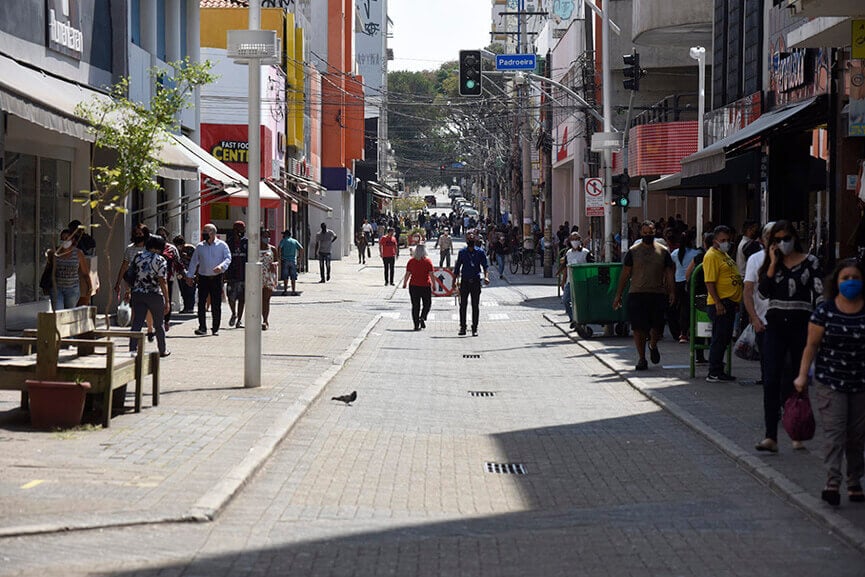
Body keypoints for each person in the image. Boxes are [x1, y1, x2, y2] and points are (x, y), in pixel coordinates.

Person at [794, 258, 865, 506]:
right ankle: (832, 482)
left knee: (856, 436)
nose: (851, 283)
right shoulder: (825, 311)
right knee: (835, 433)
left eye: (855, 278)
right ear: (836, 282)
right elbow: (811, 347)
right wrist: (803, 375)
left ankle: (854, 480)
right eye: (846, 278)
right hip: (830, 381)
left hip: (860, 383)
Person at [755, 220, 823, 452]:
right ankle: (770, 436)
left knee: (796, 378)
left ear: (794, 238)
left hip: (801, 324)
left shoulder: (810, 262)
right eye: (778, 240)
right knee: (771, 378)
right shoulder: (771, 264)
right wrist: (773, 264)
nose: (783, 243)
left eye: (786, 238)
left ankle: (797, 431)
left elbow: (819, 292)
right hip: (775, 326)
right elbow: (763, 292)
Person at [613, 220, 675, 370]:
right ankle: (641, 358)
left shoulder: (663, 251)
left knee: (657, 328)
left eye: (650, 232)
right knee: (638, 329)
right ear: (641, 233)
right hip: (637, 294)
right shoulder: (633, 251)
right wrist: (618, 295)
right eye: (645, 232)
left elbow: (669, 274)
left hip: (658, 294)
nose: (648, 235)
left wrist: (672, 291)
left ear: (655, 233)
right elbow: (625, 274)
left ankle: (653, 345)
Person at [703, 225, 742, 382]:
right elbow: (710, 281)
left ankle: (717, 366)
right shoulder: (712, 256)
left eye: (728, 240)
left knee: (724, 338)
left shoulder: (723, 254)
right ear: (715, 241)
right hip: (720, 303)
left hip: (730, 302)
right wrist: (718, 302)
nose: (726, 242)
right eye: (723, 240)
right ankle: (714, 371)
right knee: (719, 338)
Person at [743, 222, 775, 387]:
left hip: (789, 322)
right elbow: (748, 291)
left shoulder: (795, 259)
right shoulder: (755, 260)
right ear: (763, 240)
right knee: (767, 360)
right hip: (763, 320)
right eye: (769, 237)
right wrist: (753, 316)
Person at [129, 234, 171, 358]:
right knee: (159, 324)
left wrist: (129, 290)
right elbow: (162, 280)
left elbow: (131, 274)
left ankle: (132, 349)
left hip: (138, 293)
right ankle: (162, 350)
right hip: (154, 294)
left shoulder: (138, 256)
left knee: (137, 322)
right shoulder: (160, 260)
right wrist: (167, 300)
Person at [186, 223, 231, 336]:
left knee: (216, 303)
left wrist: (221, 267)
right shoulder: (200, 246)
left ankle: (215, 327)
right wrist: (190, 276)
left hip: (216, 278)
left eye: (206, 231)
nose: (204, 233)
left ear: (213, 233)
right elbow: (194, 262)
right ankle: (202, 327)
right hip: (203, 278)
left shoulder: (222, 245)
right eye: (204, 231)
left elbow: (228, 258)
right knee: (201, 303)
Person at [115, 224, 154, 340]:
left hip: (148, 281)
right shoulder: (130, 249)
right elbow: (124, 266)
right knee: (135, 306)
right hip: (134, 282)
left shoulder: (149, 248)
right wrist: (118, 283)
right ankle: (135, 331)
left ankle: (150, 329)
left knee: (148, 307)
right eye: (136, 234)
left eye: (140, 234)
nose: (138, 236)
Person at [454, 230, 490, 336]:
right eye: (469, 239)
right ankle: (463, 327)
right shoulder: (462, 252)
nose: (470, 240)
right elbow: (457, 268)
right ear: (466, 240)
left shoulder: (480, 252)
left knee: (475, 305)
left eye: (472, 238)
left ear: (475, 240)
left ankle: (474, 328)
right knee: (463, 305)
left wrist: (486, 277)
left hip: (475, 281)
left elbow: (485, 266)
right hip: (464, 281)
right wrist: (454, 281)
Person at [46, 228, 91, 311]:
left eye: (66, 238)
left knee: (69, 313)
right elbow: (49, 269)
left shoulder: (78, 253)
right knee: (58, 313)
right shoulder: (55, 253)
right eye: (62, 239)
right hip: (57, 289)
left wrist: (90, 287)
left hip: (72, 290)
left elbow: (85, 272)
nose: (64, 241)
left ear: (72, 239)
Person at [669, 232, 699, 343]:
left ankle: (682, 333)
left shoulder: (675, 253)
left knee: (682, 308)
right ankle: (689, 331)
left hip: (678, 283)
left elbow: (669, 264)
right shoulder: (696, 253)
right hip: (690, 282)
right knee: (690, 308)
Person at [155, 227, 186, 332]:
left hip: (168, 278)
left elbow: (178, 263)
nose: (161, 237)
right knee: (156, 300)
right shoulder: (151, 248)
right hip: (153, 279)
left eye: (163, 235)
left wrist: (185, 275)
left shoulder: (171, 248)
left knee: (167, 299)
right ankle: (157, 321)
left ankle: (166, 321)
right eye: (159, 234)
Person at [560, 232, 593, 329]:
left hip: (582, 282)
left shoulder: (586, 253)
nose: (574, 241)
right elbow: (566, 268)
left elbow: (591, 266)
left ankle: (580, 321)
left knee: (580, 303)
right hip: (570, 282)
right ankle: (573, 319)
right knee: (566, 300)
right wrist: (563, 281)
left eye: (576, 239)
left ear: (580, 240)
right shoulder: (568, 253)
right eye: (572, 239)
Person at [402, 243, 438, 331]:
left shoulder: (411, 261)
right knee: (427, 304)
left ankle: (416, 324)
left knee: (415, 306)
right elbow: (431, 274)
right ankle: (422, 316)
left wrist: (405, 283)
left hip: (413, 285)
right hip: (425, 285)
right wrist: (434, 284)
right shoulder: (428, 261)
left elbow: (407, 274)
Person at [225, 221, 248, 329]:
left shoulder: (247, 242)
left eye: (243, 229)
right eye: (241, 229)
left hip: (244, 275)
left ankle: (239, 320)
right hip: (232, 275)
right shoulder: (229, 243)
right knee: (231, 297)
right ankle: (233, 313)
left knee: (242, 298)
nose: (242, 231)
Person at [173, 235, 196, 313]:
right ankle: (186, 306)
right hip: (181, 273)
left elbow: (197, 259)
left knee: (190, 290)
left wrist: (187, 257)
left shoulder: (190, 248)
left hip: (191, 272)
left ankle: (190, 307)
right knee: (183, 290)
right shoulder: (176, 250)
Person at [260, 232, 278, 330]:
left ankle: (265, 320)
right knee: (257, 300)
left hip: (268, 277)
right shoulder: (254, 249)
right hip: (257, 277)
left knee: (266, 299)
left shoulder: (272, 249)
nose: (266, 238)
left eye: (268, 236)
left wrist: (274, 264)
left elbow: (277, 260)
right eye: (264, 236)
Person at [278, 229, 303, 295]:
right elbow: (301, 248)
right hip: (292, 261)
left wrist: (279, 256)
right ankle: (293, 291)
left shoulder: (283, 241)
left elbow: (279, 248)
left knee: (285, 277)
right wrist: (299, 257)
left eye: (283, 234)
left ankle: (285, 291)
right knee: (293, 277)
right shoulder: (294, 241)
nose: (283, 235)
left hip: (285, 260)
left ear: (286, 235)